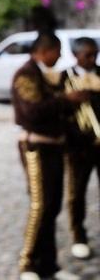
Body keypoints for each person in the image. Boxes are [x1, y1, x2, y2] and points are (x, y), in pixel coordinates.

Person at [12, 32, 89, 280]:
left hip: (54, 147)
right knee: (40, 206)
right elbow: (33, 112)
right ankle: (27, 263)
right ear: (45, 51)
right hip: (36, 148)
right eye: (57, 52)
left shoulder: (43, 74)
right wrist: (66, 100)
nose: (59, 57)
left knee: (53, 207)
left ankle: (49, 265)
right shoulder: (26, 74)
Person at [60, 37, 100, 260]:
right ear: (76, 55)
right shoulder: (64, 78)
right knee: (76, 194)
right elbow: (59, 112)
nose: (93, 59)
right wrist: (70, 100)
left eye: (95, 54)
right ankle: (78, 236)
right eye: (88, 55)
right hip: (77, 147)